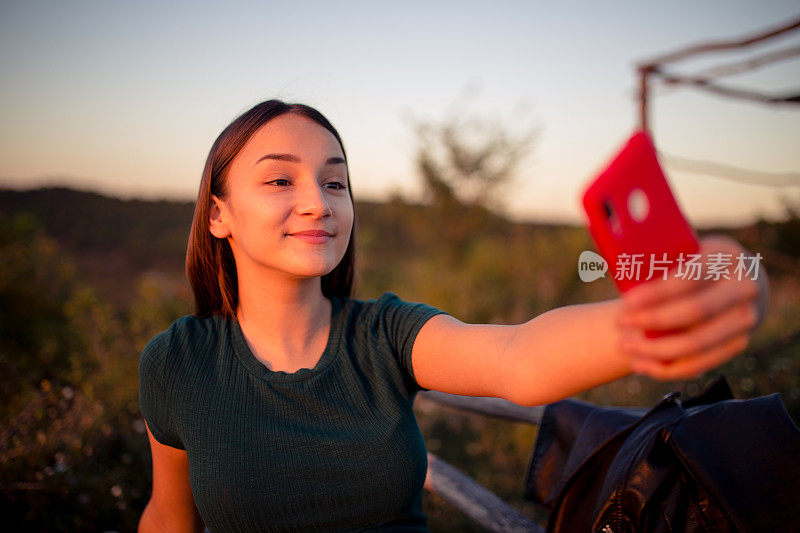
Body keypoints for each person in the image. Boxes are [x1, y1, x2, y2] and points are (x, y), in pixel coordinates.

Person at [137, 99, 769, 532]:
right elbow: (169, 517)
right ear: (217, 214)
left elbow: (518, 357)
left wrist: (701, 294)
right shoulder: (178, 363)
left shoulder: (382, 336)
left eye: (335, 183)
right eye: (280, 181)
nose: (318, 203)